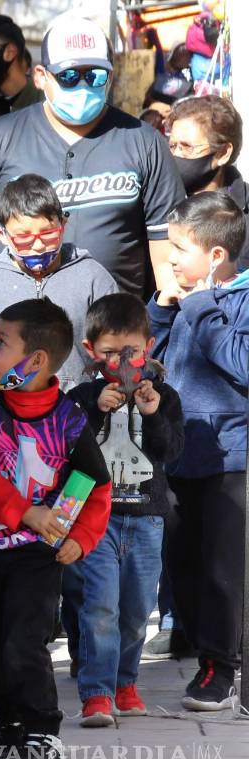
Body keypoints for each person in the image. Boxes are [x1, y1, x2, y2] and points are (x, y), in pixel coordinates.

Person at [0, 15, 185, 353]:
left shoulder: (144, 142)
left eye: (95, 75)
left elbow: (167, 247)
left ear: (111, 76)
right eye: (70, 76)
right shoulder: (1, 136)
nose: (83, 86)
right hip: (13, 346)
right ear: (42, 77)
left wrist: (165, 335)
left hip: (112, 347)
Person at [0, 298, 113, 759]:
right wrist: (27, 511)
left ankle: (41, 730)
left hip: (38, 555)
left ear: (35, 362)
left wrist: (79, 537)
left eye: (2, 342)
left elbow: (93, 483)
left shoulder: (69, 419)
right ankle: (11, 720)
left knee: (25, 640)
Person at [61, 294, 185, 726]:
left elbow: (170, 452)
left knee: (135, 610)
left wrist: (152, 414)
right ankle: (96, 692)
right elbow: (68, 455)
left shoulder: (163, 396)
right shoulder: (80, 397)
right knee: (100, 607)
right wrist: (95, 414)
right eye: (110, 353)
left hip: (148, 518)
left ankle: (125, 682)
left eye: (130, 351)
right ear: (91, 350)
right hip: (98, 519)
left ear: (147, 347)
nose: (120, 362)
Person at [149, 191, 248, 712]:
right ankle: (205, 649)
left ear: (215, 256)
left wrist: (201, 305)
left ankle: (222, 667)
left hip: (231, 458)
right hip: (179, 451)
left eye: (179, 250)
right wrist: (164, 312)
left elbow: (241, 363)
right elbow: (152, 354)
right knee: (182, 566)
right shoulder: (187, 299)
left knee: (222, 570)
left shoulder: (235, 299)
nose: (169, 260)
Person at [0, 174, 118, 391]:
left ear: (63, 224)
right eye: (24, 238)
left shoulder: (93, 278)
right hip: (3, 415)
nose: (38, 246)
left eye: (48, 234)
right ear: (2, 235)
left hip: (75, 412)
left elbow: (119, 350)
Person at [167, 96, 249, 267]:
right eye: (173, 146)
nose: (176, 155)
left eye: (187, 147)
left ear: (223, 153)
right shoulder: (159, 201)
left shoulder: (244, 211)